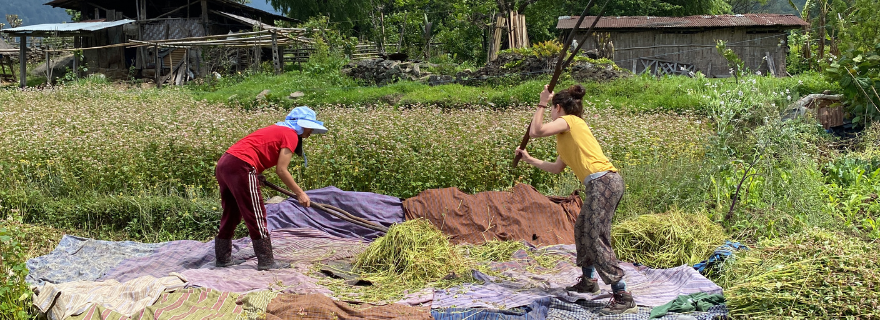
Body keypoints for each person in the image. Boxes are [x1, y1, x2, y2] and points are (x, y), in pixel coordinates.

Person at [515, 85, 636, 315]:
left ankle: (623, 295)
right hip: (599, 184)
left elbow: (536, 131)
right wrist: (531, 160)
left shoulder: (570, 120)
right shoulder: (566, 134)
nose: (550, 112)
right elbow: (557, 167)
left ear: (557, 108)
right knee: (582, 230)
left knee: (595, 235)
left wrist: (541, 102)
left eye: (551, 108)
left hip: (604, 181)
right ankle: (589, 281)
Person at [213, 106, 328, 271]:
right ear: (301, 125)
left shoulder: (278, 130)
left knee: (232, 211)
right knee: (256, 213)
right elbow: (281, 170)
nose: (310, 133)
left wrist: (256, 174)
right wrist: (300, 193)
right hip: (241, 166)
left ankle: (223, 258)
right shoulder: (290, 135)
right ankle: (266, 261)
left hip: (226, 163)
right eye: (309, 127)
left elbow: (255, 150)